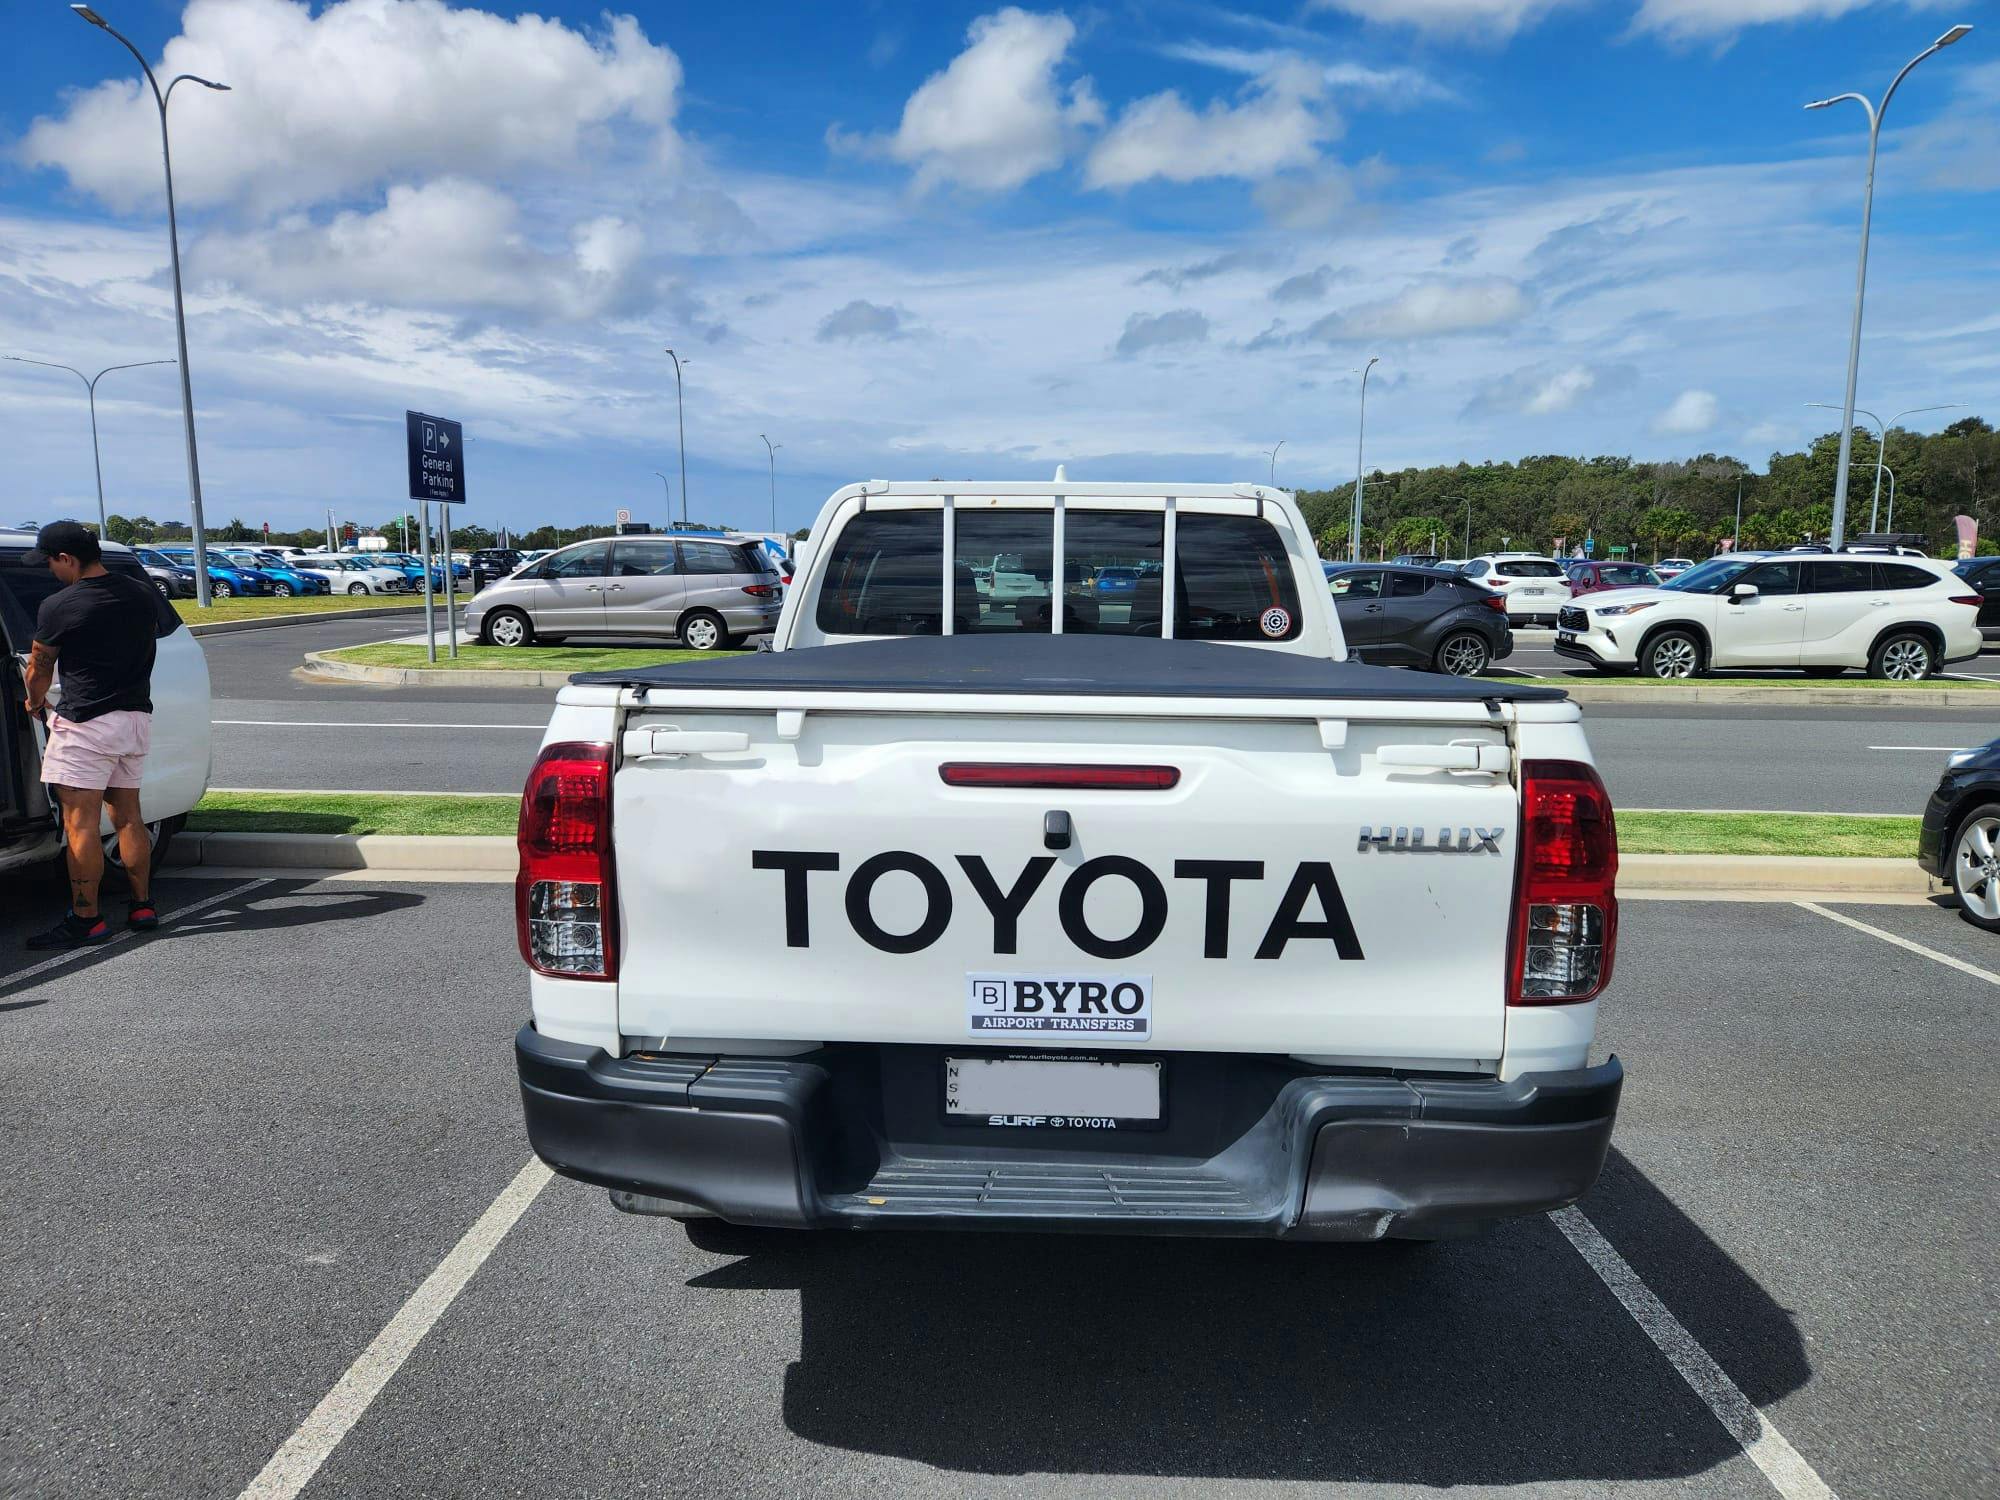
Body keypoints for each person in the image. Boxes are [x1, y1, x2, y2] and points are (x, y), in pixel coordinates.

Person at [20, 520, 175, 948]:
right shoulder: (142, 592)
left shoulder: (60, 605)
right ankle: (143, 906)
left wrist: (33, 702)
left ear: (66, 558)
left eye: (51, 561)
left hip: (86, 723)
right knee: (128, 817)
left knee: (80, 825)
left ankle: (86, 918)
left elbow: (40, 666)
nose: (50, 570)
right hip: (134, 719)